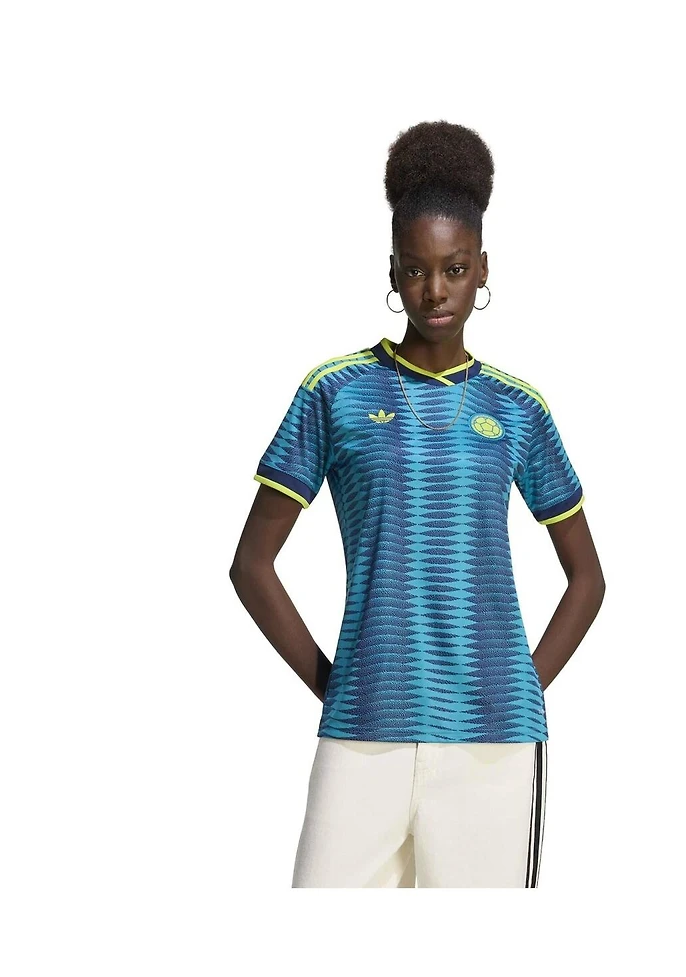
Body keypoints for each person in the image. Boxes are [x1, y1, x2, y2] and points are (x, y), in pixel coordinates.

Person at [229, 120, 606, 888]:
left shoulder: (518, 409)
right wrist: (334, 681)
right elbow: (251, 564)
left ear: (483, 268)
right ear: (393, 271)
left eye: (455, 268)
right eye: (416, 270)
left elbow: (587, 578)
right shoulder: (334, 392)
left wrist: (520, 686)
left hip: (493, 749)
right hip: (362, 735)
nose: (435, 291)